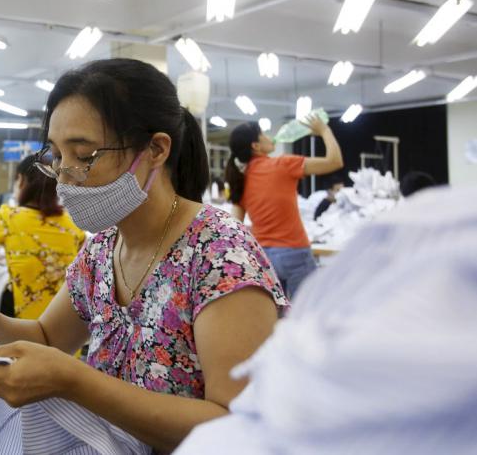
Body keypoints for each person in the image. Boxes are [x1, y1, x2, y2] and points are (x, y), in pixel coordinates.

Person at [0, 58, 288, 452]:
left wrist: (76, 381)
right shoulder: (102, 248)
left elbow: (235, 426)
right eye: (57, 158)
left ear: (156, 149)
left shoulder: (221, 255)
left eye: (84, 156)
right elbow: (48, 337)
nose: (64, 177)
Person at [174, 185, 477, 455]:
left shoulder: (242, 184)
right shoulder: (280, 170)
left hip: (271, 253)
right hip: (291, 252)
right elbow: (333, 159)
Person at [225, 119, 343, 298]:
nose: (269, 137)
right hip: (295, 252)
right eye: (263, 134)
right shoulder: (284, 164)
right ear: (256, 146)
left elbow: (235, 227)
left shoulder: (240, 180)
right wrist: (324, 130)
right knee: (305, 316)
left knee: (274, 320)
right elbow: (334, 161)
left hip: (264, 257)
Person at [0, 154, 86, 319]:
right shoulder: (74, 225)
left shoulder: (7, 218)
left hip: (24, 329)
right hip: (65, 330)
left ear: (21, 180)